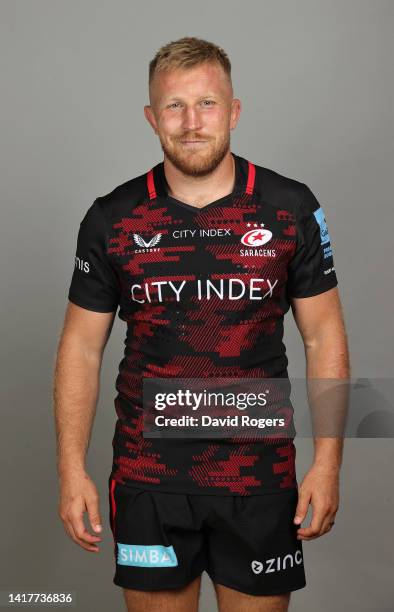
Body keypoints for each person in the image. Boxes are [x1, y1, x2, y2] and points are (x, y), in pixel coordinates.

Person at [54, 36, 350, 612]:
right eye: (174, 106)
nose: (192, 122)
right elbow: (81, 348)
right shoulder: (114, 217)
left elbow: (325, 336)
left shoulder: (288, 207)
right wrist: (70, 471)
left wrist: (329, 463)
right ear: (151, 117)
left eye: (208, 104)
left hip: (260, 477)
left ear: (234, 111)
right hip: (149, 480)